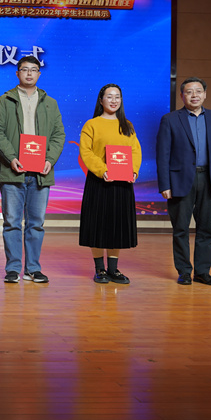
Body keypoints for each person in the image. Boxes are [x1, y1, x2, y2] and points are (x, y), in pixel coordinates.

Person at [0, 55, 65, 284]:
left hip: (40, 173)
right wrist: (11, 158)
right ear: (17, 73)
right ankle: (13, 269)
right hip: (13, 171)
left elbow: (59, 135)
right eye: (25, 69)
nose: (29, 73)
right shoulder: (6, 100)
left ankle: (33, 268)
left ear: (39, 74)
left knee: (36, 223)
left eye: (33, 69)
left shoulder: (50, 103)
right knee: (12, 222)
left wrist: (50, 159)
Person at [156, 77, 211, 286]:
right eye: (189, 92)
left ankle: (202, 272)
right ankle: (184, 272)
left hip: (210, 179)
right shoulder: (170, 119)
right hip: (180, 181)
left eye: (198, 91)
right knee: (180, 229)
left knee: (207, 229)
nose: (194, 95)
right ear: (182, 96)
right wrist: (165, 184)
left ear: (205, 94)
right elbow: (163, 154)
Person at [78, 84, 141, 284]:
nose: (114, 100)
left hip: (123, 183)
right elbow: (86, 152)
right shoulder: (91, 124)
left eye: (117, 97)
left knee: (117, 226)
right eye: (109, 96)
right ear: (101, 100)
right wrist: (103, 170)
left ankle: (113, 269)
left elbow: (135, 151)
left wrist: (133, 171)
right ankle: (100, 269)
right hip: (99, 181)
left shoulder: (127, 125)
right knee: (98, 225)